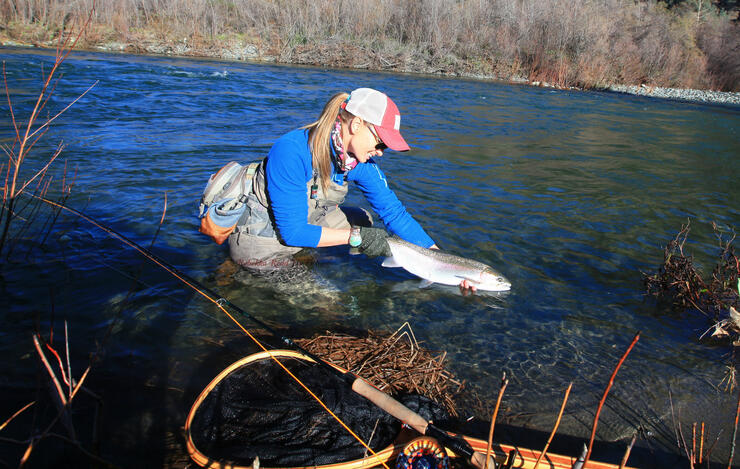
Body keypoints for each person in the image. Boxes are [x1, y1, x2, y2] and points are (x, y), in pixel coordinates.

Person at [229, 87, 476, 291]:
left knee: (363, 219)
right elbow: (292, 232)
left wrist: (445, 262)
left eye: (386, 147)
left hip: (304, 223)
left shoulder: (358, 161)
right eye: (381, 142)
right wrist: (357, 238)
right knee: (330, 303)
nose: (381, 151)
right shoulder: (292, 151)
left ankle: (308, 259)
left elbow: (394, 214)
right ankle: (247, 272)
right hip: (264, 242)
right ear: (357, 124)